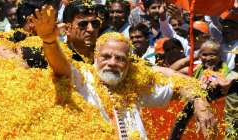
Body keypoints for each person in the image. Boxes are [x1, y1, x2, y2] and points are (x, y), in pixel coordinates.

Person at [31, 5, 217, 139]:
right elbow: (61, 66)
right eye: (106, 56)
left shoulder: (134, 82)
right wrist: (49, 40)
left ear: (129, 64)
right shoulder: (83, 77)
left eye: (120, 58)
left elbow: (178, 85)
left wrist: (200, 102)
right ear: (95, 58)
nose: (112, 63)